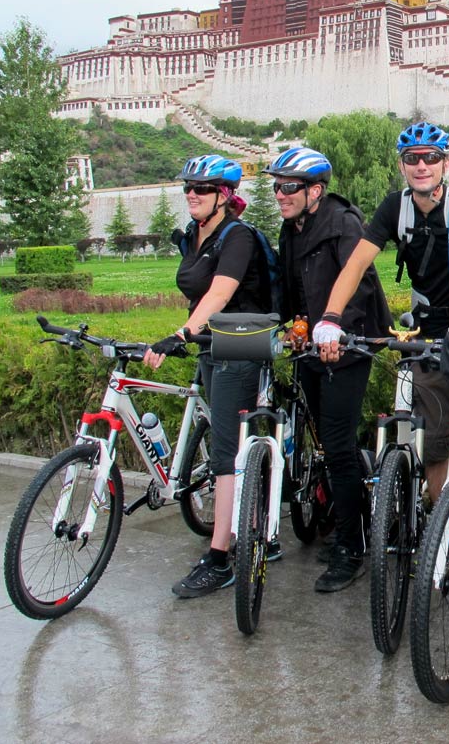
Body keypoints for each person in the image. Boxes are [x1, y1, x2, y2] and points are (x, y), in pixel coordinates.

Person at [312, 122, 449, 575]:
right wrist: (329, 317)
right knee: (434, 437)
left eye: (430, 158)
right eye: (412, 159)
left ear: (446, 163)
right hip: (428, 331)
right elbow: (356, 265)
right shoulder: (395, 207)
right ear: (402, 165)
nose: (421, 166)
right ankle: (447, 521)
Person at [144, 155, 272, 598]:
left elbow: (222, 290)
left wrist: (182, 332)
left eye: (202, 188)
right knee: (222, 435)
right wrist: (190, 333)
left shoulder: (237, 235)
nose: (191, 195)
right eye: (188, 188)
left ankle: (221, 558)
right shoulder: (194, 237)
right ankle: (250, 523)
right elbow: (199, 292)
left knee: (224, 451)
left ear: (224, 195)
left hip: (241, 341)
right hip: (210, 343)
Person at [267, 146, 391, 592]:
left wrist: (339, 330)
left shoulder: (343, 223)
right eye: (275, 186)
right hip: (310, 349)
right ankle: (346, 514)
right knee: (326, 441)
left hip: (348, 346)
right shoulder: (291, 228)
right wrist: (286, 325)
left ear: (314, 190)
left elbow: (359, 283)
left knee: (336, 445)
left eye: (287, 187)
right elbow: (293, 286)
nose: (279, 194)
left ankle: (353, 547)